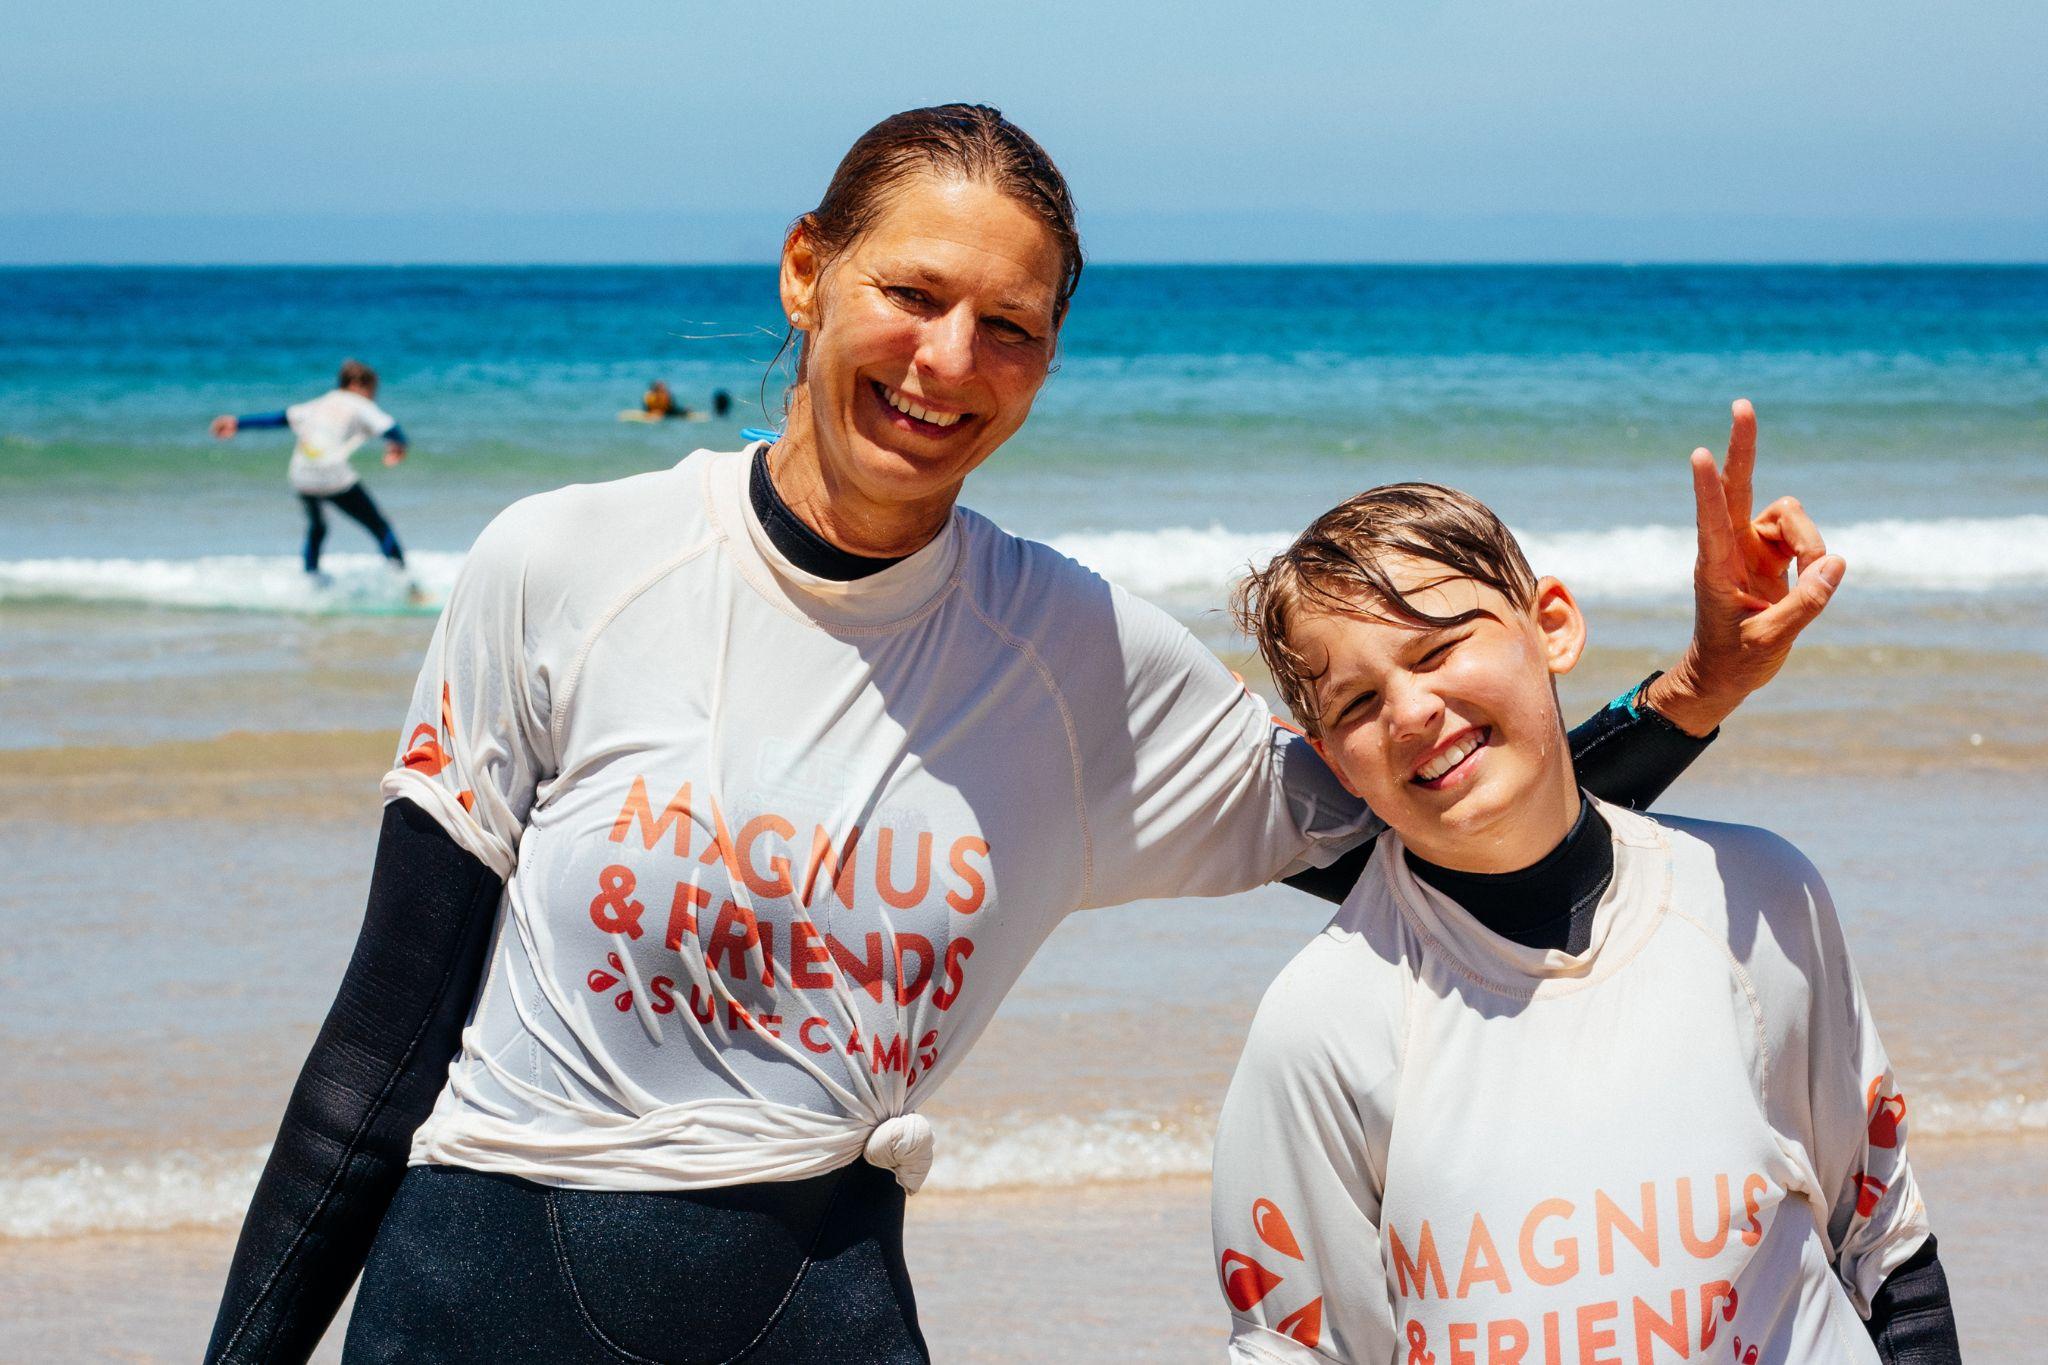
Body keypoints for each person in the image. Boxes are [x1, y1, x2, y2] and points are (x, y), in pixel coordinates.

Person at [203, 106, 1839, 1365]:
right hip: (477, 1292)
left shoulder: (1069, 658)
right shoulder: (564, 567)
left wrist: (1695, 685)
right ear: (804, 271)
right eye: (911, 294)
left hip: (820, 1297)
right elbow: (378, 1051)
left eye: (1009, 329)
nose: (945, 363)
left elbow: (1454, 825)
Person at [1211, 484, 1959, 1362]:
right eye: (1357, 702)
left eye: (1441, 647)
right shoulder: (1321, 1024)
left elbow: (1887, 1256)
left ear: (1553, 626)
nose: (1411, 710)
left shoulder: (1754, 898)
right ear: (1329, 757)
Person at [210, 359, 411, 584]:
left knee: (318, 528)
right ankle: (406, 584)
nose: (373, 397)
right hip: (333, 476)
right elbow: (391, 428)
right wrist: (399, 446)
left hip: (301, 476)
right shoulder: (359, 403)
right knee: (379, 526)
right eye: (373, 391)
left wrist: (236, 423)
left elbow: (279, 419)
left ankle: (310, 581)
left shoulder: (319, 404)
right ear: (358, 385)